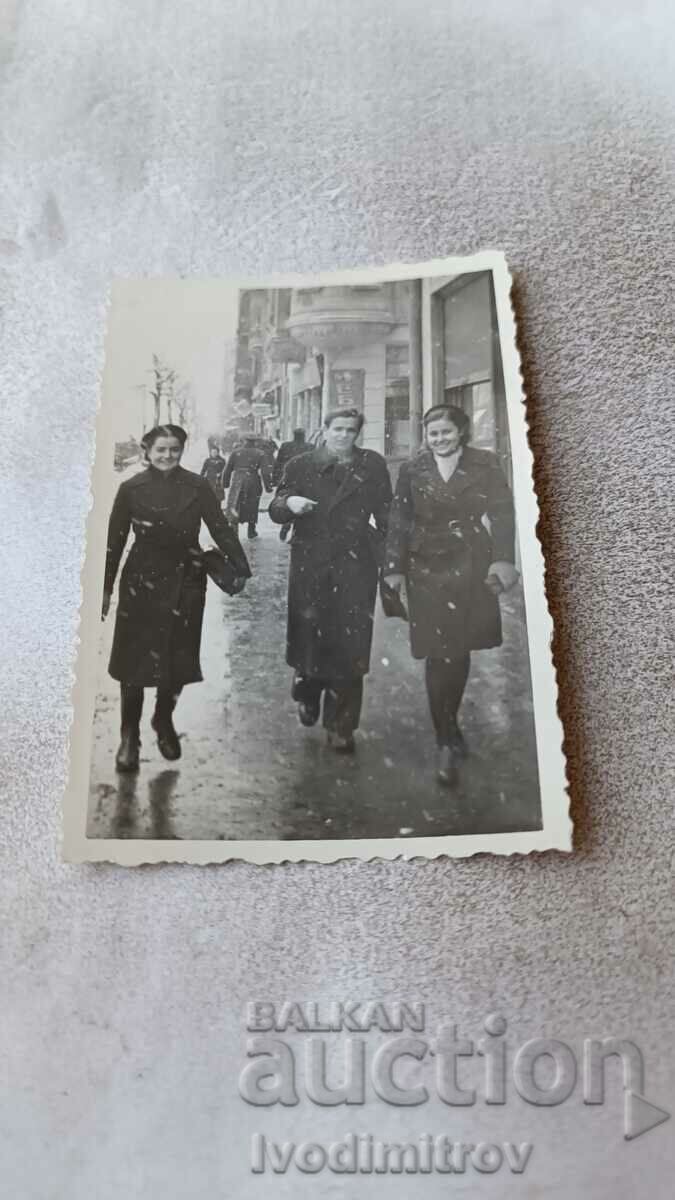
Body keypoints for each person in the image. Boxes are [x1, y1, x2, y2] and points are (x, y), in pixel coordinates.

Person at [102, 424, 250, 772]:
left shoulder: (197, 487)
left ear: (182, 450)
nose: (167, 456)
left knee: (177, 659)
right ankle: (128, 736)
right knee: (134, 662)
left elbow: (219, 526)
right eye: (160, 450)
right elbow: (115, 541)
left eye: (174, 450)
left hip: (187, 580)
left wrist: (241, 567)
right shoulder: (130, 489)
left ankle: (163, 718)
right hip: (141, 580)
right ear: (146, 451)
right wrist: (106, 588)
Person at [384, 404, 519, 786]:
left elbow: (504, 513)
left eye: (446, 432)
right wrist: (392, 568)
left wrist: (503, 561)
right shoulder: (413, 468)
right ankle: (445, 736)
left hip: (472, 564)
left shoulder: (485, 464)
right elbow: (399, 519)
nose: (439, 439)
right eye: (432, 433)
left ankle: (449, 723)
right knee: (437, 649)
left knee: (458, 650)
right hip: (425, 566)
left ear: (461, 432)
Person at [269, 407, 392, 753]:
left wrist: (391, 563)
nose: (343, 435)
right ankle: (307, 686)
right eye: (337, 429)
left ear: (357, 433)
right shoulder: (301, 465)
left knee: (351, 643)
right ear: (324, 430)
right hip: (311, 562)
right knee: (311, 636)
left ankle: (342, 724)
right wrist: (289, 502)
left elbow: (386, 514)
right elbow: (276, 507)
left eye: (350, 430)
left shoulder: (372, 465)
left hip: (356, 565)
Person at [222, 433, 274, 539]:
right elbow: (265, 472)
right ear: (255, 442)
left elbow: (227, 469)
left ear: (244, 441)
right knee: (252, 504)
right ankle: (251, 530)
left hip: (237, 480)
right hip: (253, 480)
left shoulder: (236, 453)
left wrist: (225, 483)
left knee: (234, 504)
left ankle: (233, 529)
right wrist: (268, 487)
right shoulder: (260, 453)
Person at [273, 428, 310, 541]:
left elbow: (278, 463)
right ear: (304, 435)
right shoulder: (310, 447)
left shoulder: (286, 446)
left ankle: (286, 524)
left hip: (289, 479)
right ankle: (295, 532)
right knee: (302, 505)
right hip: (306, 481)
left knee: (289, 501)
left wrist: (275, 478)